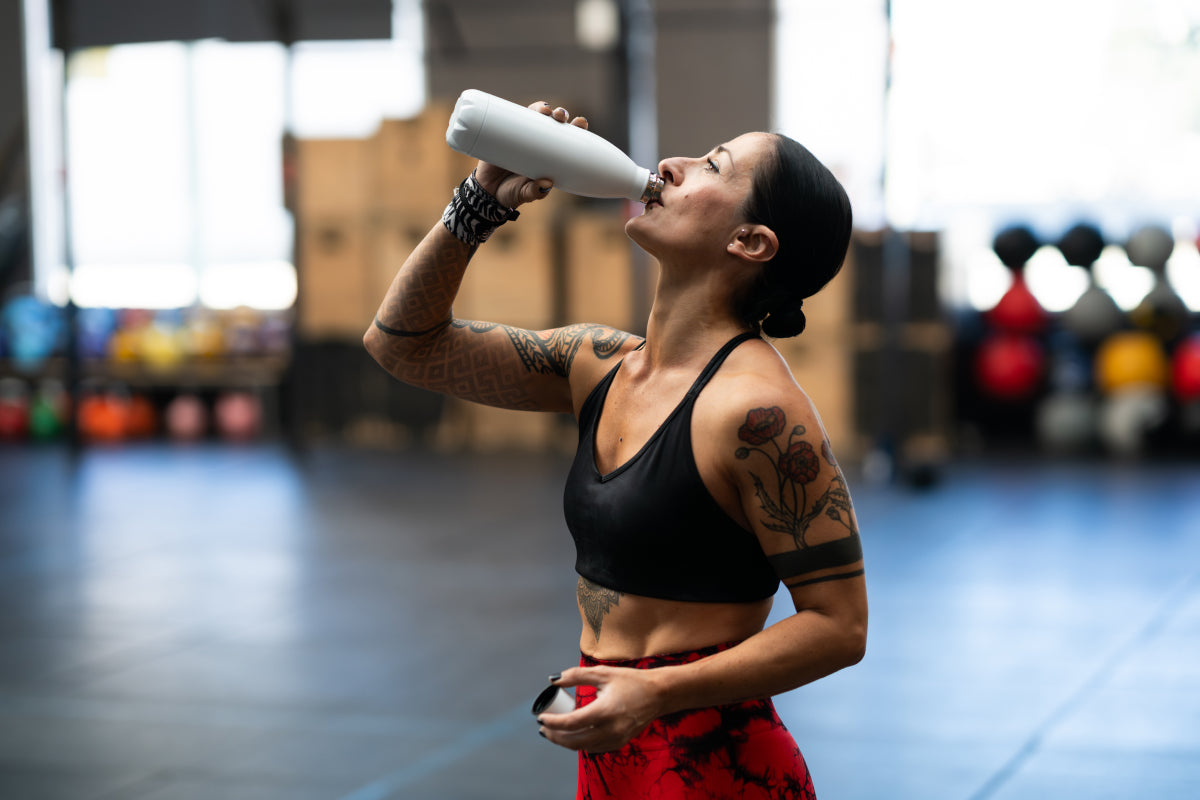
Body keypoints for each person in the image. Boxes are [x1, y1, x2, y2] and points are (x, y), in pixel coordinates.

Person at [364, 101, 867, 800]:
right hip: (614, 745)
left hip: (716, 763)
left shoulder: (760, 414)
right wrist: (479, 200)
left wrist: (658, 692)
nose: (671, 166)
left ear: (751, 242)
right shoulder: (597, 361)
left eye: (711, 164)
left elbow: (839, 627)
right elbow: (402, 345)